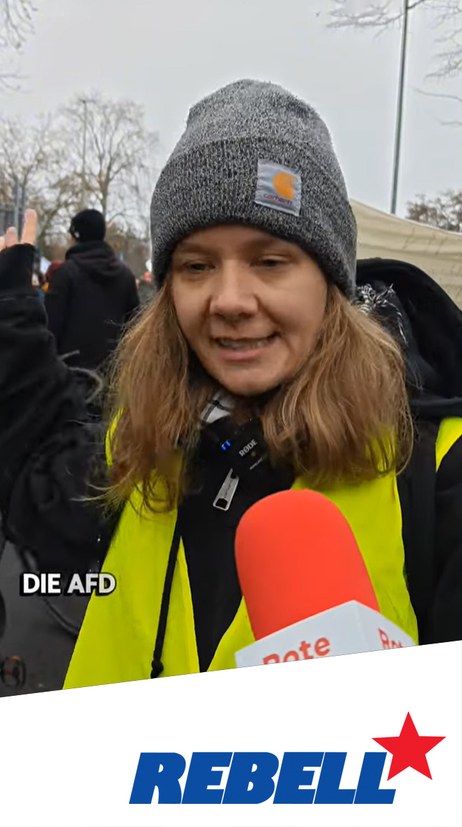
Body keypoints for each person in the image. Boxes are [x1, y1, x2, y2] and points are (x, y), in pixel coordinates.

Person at [0, 79, 461, 692]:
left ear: (331, 282)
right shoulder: (139, 446)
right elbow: (37, 472)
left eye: (270, 261)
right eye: (196, 266)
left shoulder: (439, 471)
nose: (230, 301)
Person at [44, 208, 139, 371]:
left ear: (76, 236)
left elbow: (49, 329)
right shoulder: (126, 276)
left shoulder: (65, 274)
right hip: (114, 377)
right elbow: (135, 328)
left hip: (69, 377)